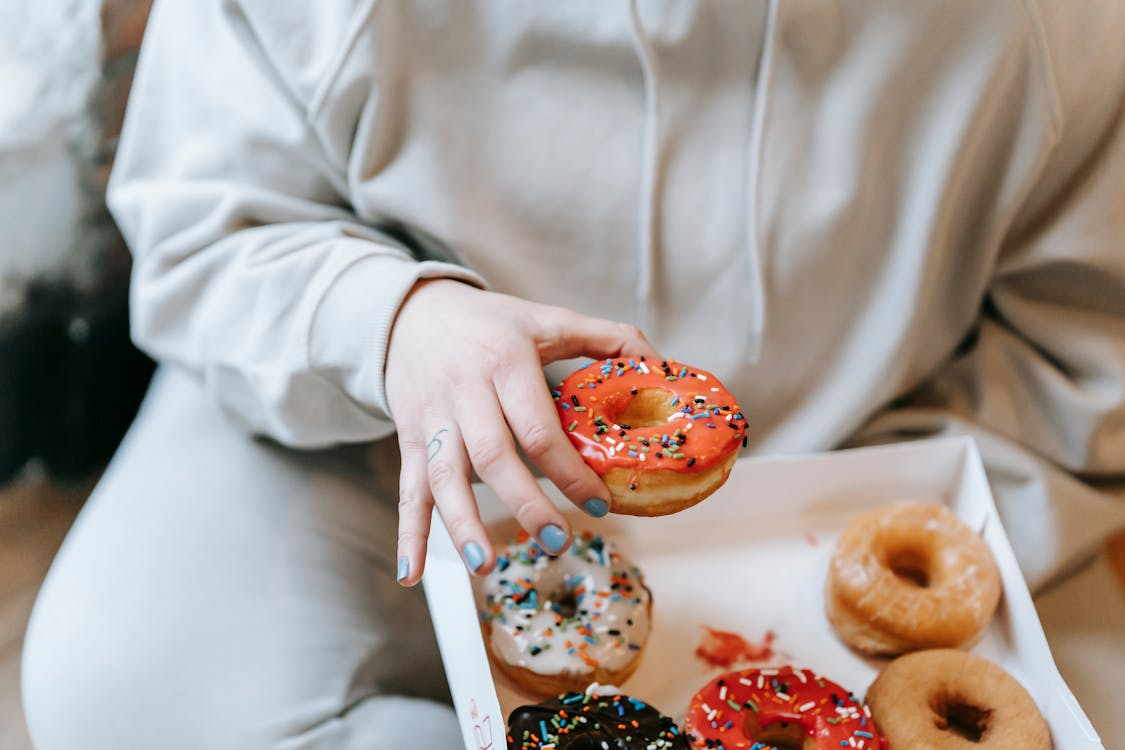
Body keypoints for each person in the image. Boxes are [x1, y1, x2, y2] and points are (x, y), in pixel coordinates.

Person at [22, 1, 1125, 748]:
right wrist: (395, 320)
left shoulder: (1047, 32)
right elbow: (210, 227)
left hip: (860, 458)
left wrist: (854, 529)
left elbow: (1086, 350)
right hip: (364, 433)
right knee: (122, 679)